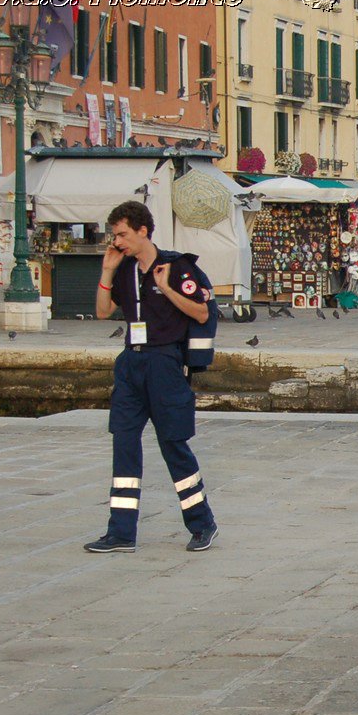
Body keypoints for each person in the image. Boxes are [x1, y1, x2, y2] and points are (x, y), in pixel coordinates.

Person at [85, 200, 219, 554]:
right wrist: (107, 270)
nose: (117, 242)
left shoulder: (176, 267)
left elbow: (202, 313)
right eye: (114, 235)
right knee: (124, 441)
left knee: (173, 444)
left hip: (165, 363)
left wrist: (168, 288)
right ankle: (121, 533)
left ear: (143, 230)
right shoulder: (124, 267)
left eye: (122, 235)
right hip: (131, 363)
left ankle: (202, 524)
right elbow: (102, 313)